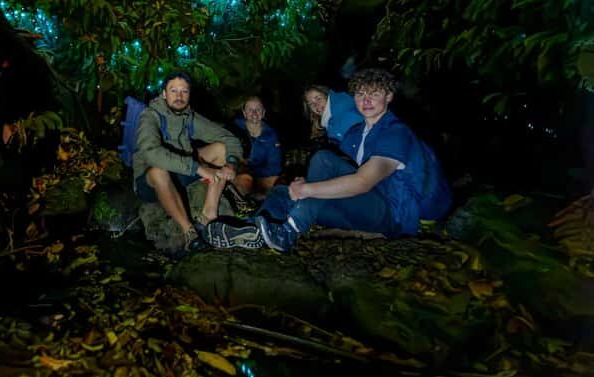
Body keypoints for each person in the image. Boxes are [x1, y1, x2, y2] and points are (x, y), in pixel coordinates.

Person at [253, 68, 451, 251]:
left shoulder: (396, 133)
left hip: (394, 216)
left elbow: (362, 182)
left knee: (323, 160)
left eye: (374, 94)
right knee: (282, 192)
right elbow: (339, 174)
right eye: (360, 94)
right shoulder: (355, 135)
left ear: (389, 96)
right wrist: (306, 186)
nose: (366, 101)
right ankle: (252, 231)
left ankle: (290, 231)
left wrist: (307, 189)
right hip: (364, 207)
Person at [133, 71, 248, 251]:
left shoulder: (189, 117)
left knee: (221, 150)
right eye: (173, 91)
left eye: (184, 91)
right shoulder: (150, 115)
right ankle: (189, 233)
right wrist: (197, 168)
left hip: (181, 173)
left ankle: (208, 216)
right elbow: (151, 153)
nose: (179, 96)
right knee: (158, 171)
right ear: (164, 94)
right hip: (151, 182)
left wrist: (231, 163)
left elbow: (229, 138)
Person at [232, 96, 282, 197]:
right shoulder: (234, 127)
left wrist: (252, 170)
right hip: (237, 172)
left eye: (258, 109)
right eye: (250, 110)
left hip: (260, 175)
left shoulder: (271, 135)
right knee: (245, 180)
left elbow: (275, 167)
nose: (254, 113)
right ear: (244, 113)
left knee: (278, 183)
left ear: (263, 112)